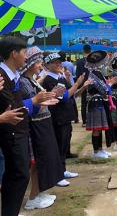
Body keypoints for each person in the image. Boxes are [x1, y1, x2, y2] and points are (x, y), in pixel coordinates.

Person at [0, 36, 55, 216]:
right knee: (18, 175)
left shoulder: (12, 75)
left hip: (19, 131)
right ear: (13, 54)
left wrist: (37, 101)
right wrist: (34, 100)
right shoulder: (3, 76)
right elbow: (11, 108)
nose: (26, 57)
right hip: (11, 133)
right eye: (24, 52)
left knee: (18, 175)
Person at [19, 46, 64, 210]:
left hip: (43, 124)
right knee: (37, 162)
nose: (40, 65)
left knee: (43, 161)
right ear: (30, 63)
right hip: (36, 126)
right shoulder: (23, 82)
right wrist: (42, 102)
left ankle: (39, 192)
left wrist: (48, 97)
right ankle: (32, 198)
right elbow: (30, 106)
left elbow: (37, 101)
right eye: (38, 62)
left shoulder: (30, 80)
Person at [42, 52, 85, 186]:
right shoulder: (49, 79)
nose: (58, 64)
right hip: (58, 117)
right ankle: (58, 174)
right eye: (55, 62)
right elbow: (64, 96)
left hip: (65, 115)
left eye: (59, 61)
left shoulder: (60, 76)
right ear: (47, 65)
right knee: (59, 144)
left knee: (64, 144)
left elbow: (70, 95)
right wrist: (77, 83)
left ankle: (62, 169)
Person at [85, 51, 117, 159]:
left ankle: (100, 149)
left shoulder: (97, 73)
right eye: (103, 62)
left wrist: (108, 84)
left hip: (99, 102)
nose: (104, 64)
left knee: (99, 128)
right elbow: (104, 89)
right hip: (96, 103)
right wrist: (111, 83)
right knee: (96, 128)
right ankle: (96, 151)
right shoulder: (95, 73)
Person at [76, 44, 91, 127]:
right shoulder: (93, 60)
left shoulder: (79, 61)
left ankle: (84, 121)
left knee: (84, 103)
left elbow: (78, 74)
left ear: (83, 51)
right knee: (92, 102)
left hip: (84, 84)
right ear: (90, 51)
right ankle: (92, 120)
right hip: (93, 83)